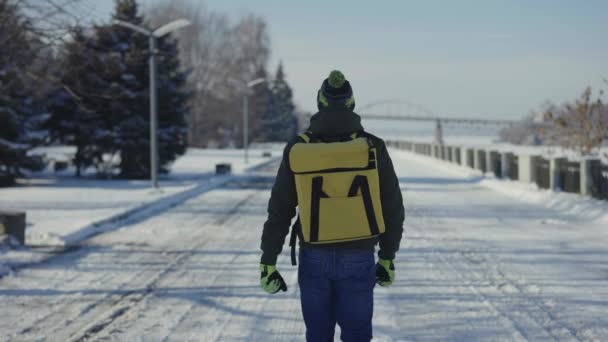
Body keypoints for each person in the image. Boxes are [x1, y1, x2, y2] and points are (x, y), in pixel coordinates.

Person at [259, 70, 404, 341]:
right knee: (357, 335)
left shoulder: (298, 147)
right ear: (351, 104)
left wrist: (268, 259)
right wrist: (387, 255)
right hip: (359, 255)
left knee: (318, 335)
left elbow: (280, 209)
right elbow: (392, 205)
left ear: (320, 103)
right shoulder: (373, 147)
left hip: (314, 256)